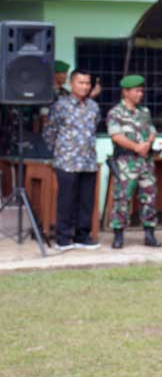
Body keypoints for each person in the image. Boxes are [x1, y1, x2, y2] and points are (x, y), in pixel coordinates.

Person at [42, 68, 101, 251]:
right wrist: (60, 152)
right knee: (66, 201)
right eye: (80, 82)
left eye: (87, 83)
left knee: (86, 201)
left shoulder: (93, 107)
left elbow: (95, 129)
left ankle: (83, 237)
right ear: (71, 84)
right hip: (66, 162)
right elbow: (49, 132)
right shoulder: (60, 106)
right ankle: (64, 239)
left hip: (88, 162)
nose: (84, 86)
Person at [106, 74, 162, 249]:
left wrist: (148, 143)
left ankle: (149, 234)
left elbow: (152, 130)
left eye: (141, 91)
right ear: (126, 92)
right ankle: (118, 235)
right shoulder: (115, 113)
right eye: (137, 91)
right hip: (126, 162)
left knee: (149, 196)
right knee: (122, 198)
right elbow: (116, 136)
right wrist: (136, 147)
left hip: (145, 162)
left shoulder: (144, 112)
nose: (140, 94)